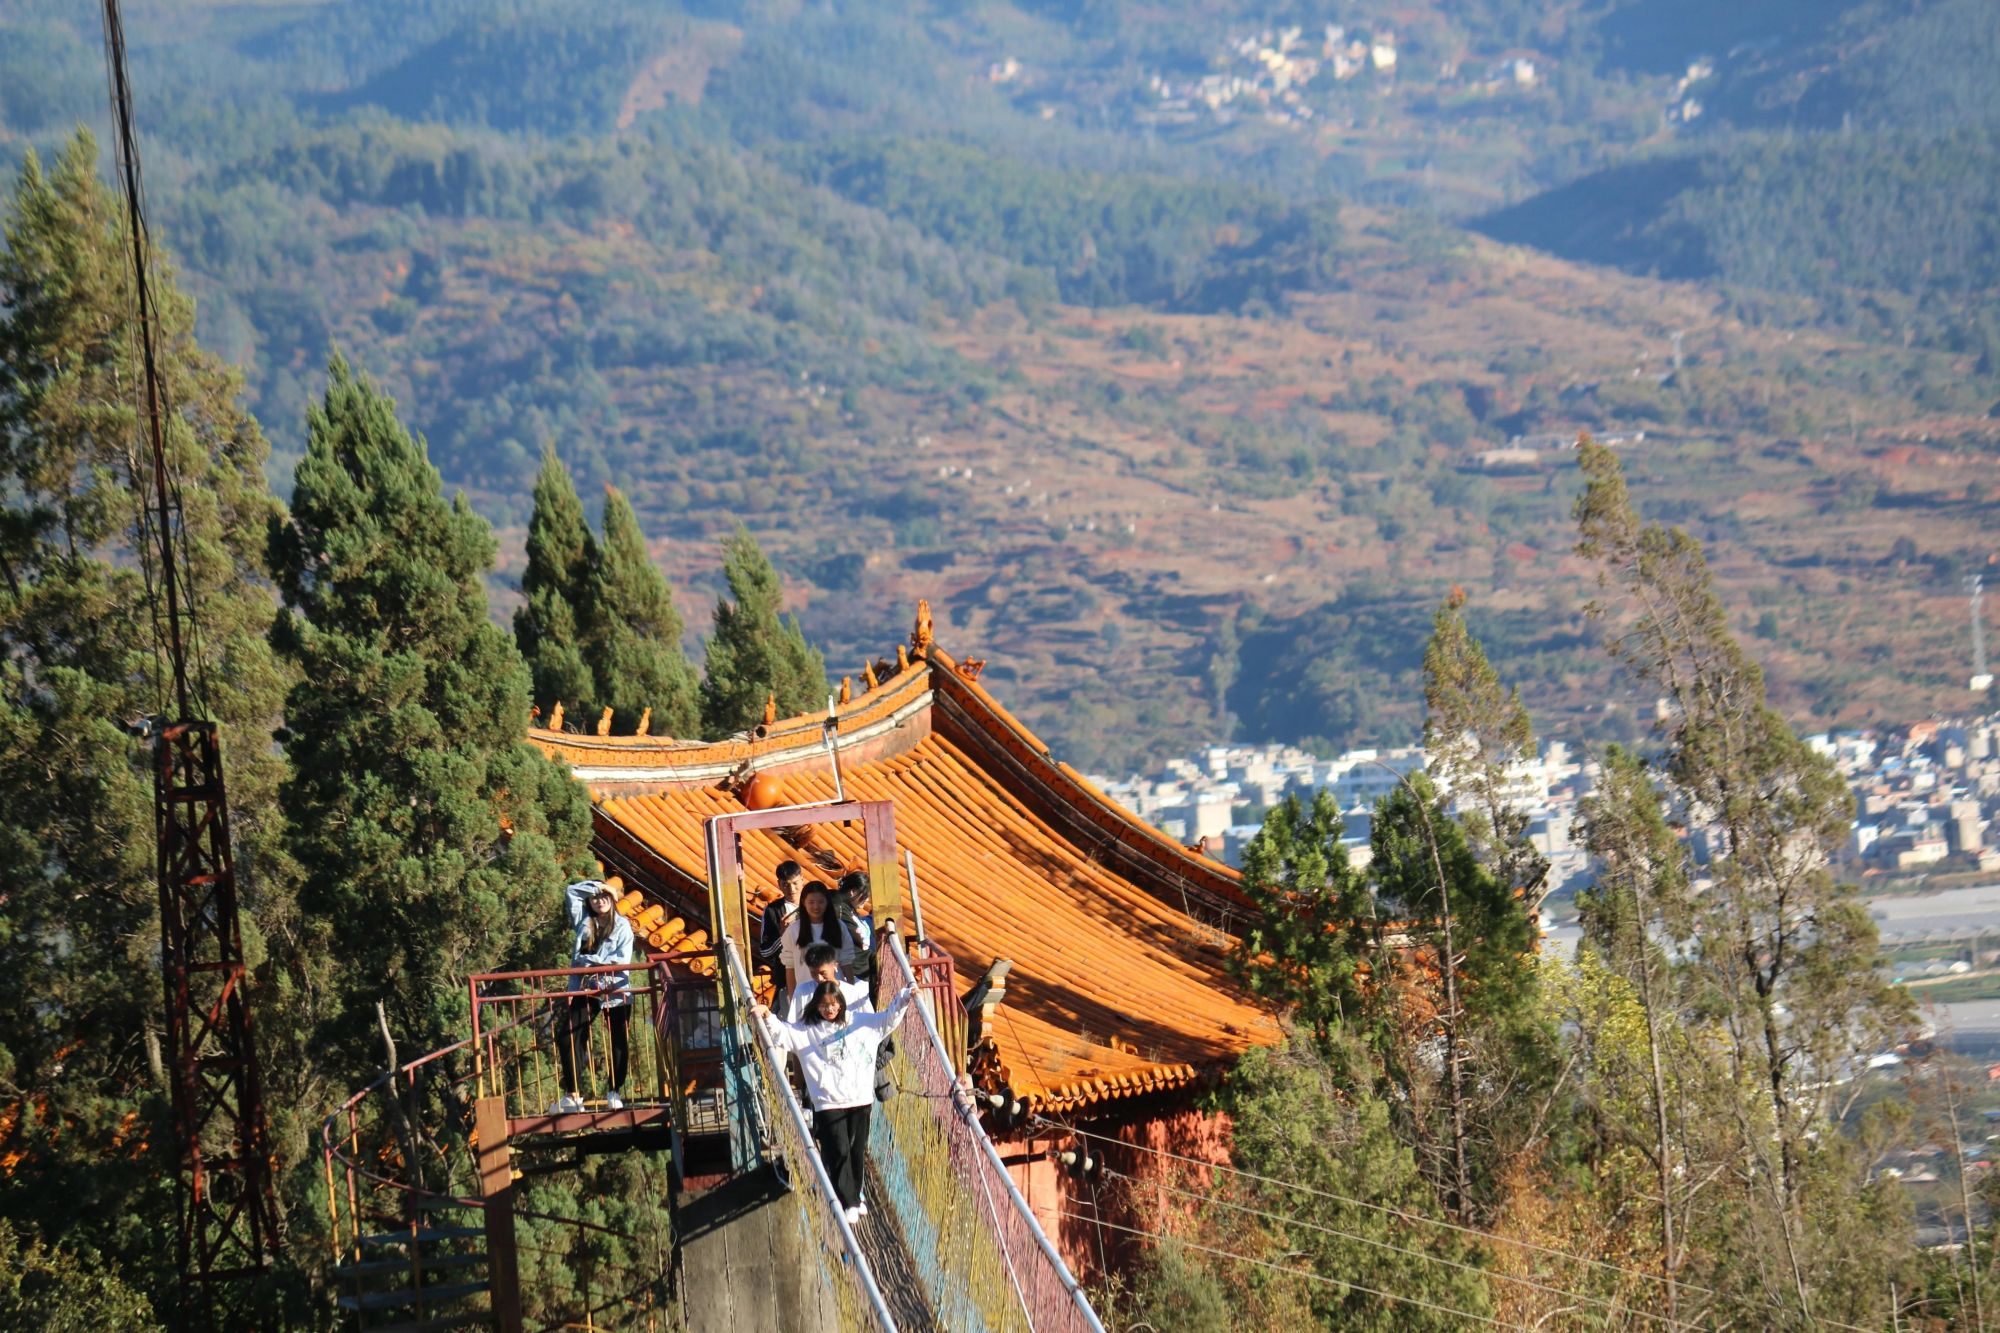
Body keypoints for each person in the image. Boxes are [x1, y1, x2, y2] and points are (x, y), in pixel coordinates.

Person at [754, 977, 912, 1224]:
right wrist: (767, 1016)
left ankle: (855, 1197)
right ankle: (848, 1201)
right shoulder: (807, 1030)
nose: (829, 1009)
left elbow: (887, 1020)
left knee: (856, 1150)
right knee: (839, 1149)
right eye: (824, 1004)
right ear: (817, 1005)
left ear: (841, 1003)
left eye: (834, 1003)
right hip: (828, 1101)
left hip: (859, 1097)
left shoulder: (860, 1023)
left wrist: (904, 997)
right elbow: (782, 1034)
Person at [553, 879, 633, 1114]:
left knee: (618, 1041)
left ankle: (614, 1092)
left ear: (613, 901)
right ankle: (573, 1094)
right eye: (595, 897)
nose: (599, 901)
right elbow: (570, 891)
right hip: (587, 987)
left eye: (605, 897)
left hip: (615, 988)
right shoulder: (584, 921)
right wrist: (601, 888)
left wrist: (590, 961)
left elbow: (621, 961)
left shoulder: (623, 925)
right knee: (568, 1036)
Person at [780, 881, 866, 988]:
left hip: (833, 992)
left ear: (827, 902)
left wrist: (850, 991)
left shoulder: (838, 926)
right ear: (803, 902)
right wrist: (793, 997)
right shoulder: (793, 930)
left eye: (821, 902)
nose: (816, 906)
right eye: (811, 902)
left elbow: (846, 962)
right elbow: (790, 968)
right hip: (806, 994)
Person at [787, 941, 872, 1023]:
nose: (819, 978)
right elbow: (793, 1024)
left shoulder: (853, 993)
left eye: (823, 973)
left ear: (835, 965)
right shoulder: (802, 992)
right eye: (813, 973)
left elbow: (869, 1022)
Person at [757, 860, 804, 993]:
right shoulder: (773, 911)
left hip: (817, 972)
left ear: (802, 880)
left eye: (795, 883)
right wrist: (783, 934)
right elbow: (765, 951)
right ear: (779, 884)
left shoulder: (815, 904)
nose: (792, 889)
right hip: (788, 978)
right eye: (786, 885)